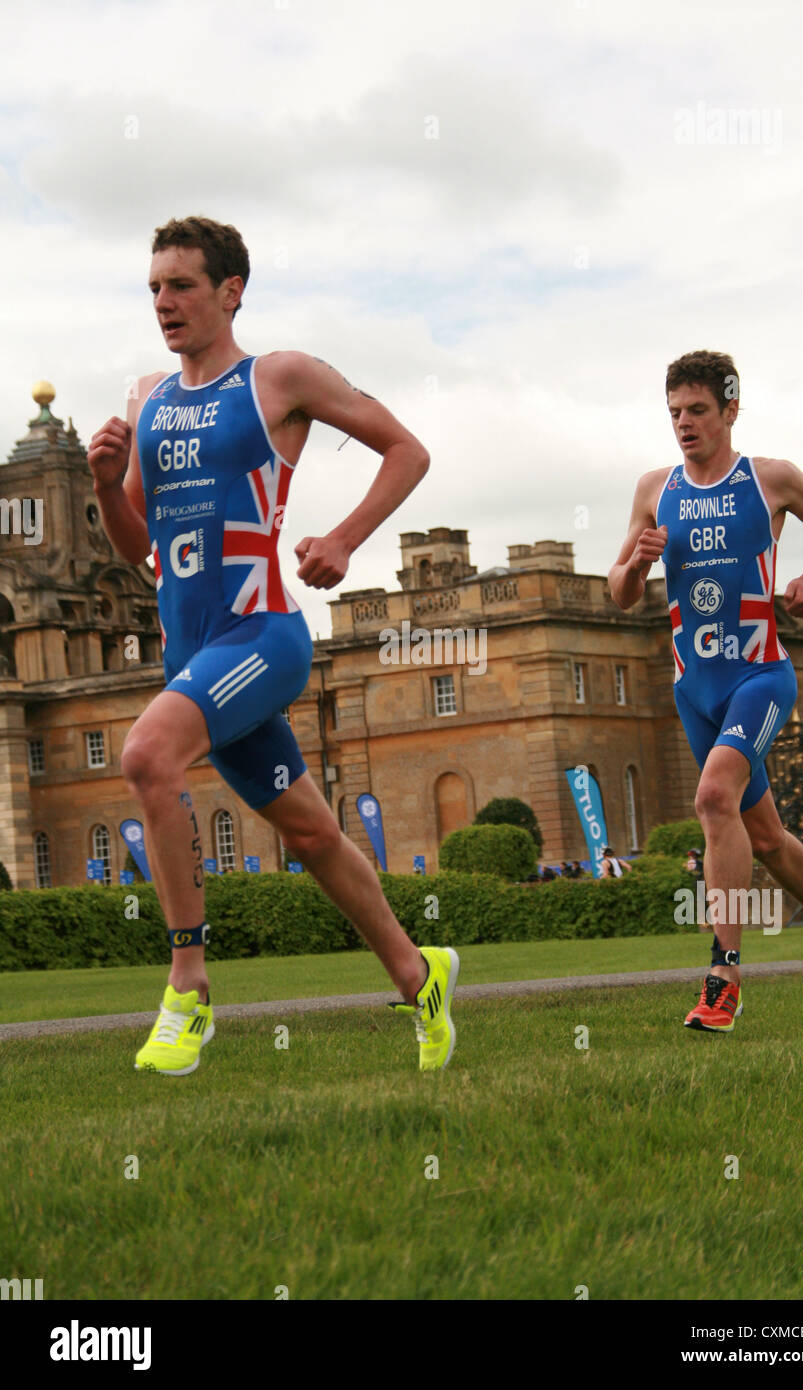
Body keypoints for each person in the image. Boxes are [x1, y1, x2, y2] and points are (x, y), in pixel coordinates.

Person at [87, 216, 459, 1075]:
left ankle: (189, 988)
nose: (164, 303)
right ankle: (420, 973)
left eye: (181, 286)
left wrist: (345, 539)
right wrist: (108, 486)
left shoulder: (279, 377)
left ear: (230, 291)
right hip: (193, 653)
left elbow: (408, 450)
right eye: (153, 288)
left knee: (147, 756)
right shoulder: (147, 396)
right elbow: (134, 545)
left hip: (264, 635)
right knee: (315, 837)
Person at [608, 349, 803, 1032]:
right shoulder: (654, 490)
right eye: (674, 414)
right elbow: (621, 593)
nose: (684, 425)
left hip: (760, 675)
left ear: (729, 411)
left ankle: (724, 975)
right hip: (695, 688)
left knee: (713, 795)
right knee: (768, 839)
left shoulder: (770, 479)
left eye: (697, 411)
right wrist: (636, 562)